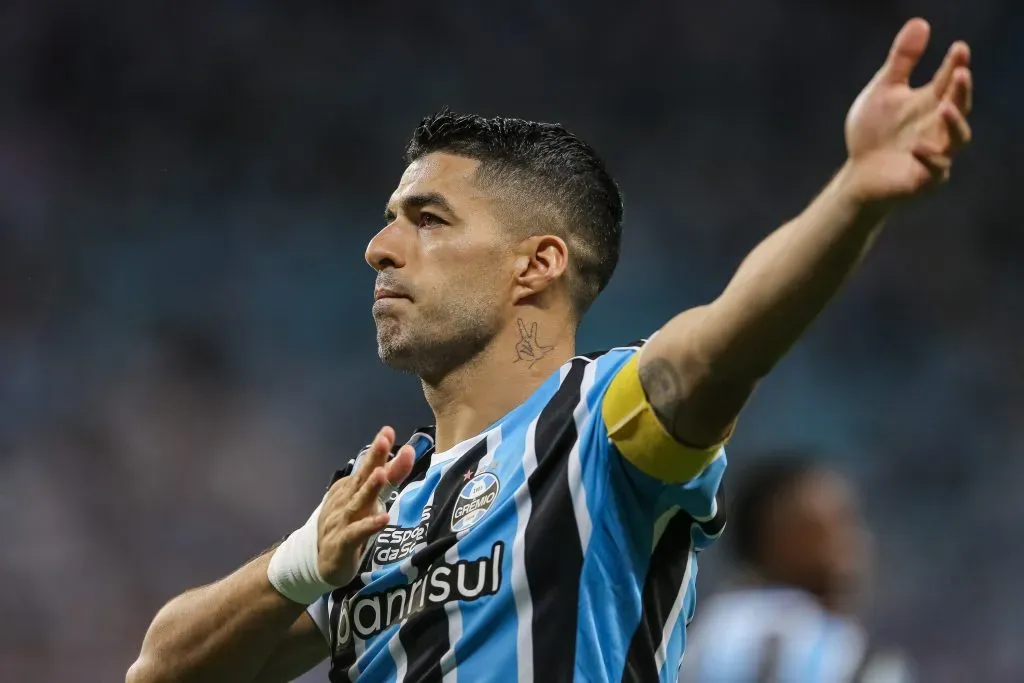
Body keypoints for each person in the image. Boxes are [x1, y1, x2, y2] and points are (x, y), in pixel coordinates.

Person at [127, 18, 972, 683]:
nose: (379, 247)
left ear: (538, 263)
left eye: (427, 218)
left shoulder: (602, 427)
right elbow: (160, 671)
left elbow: (725, 342)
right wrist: (298, 561)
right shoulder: (373, 508)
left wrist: (854, 197)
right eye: (390, 216)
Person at [678, 455, 913, 682]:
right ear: (778, 537)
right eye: (840, 522)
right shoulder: (812, 639)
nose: (858, 541)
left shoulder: (707, 629)